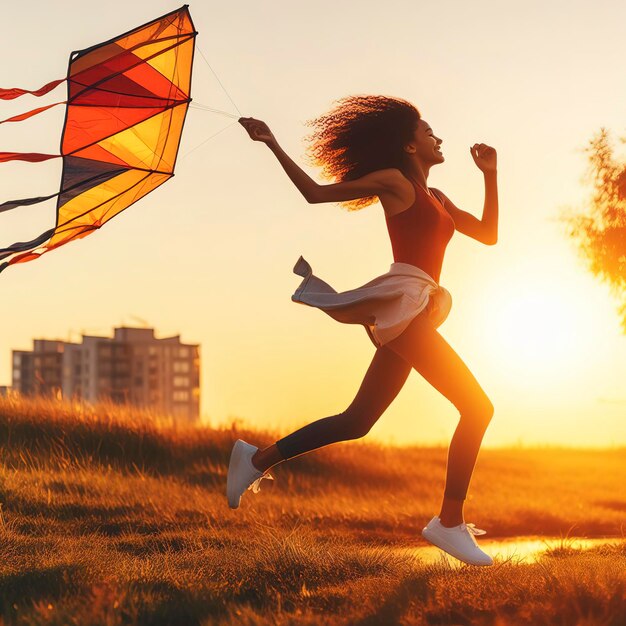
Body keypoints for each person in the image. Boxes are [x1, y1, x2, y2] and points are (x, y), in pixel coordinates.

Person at [228, 96, 498, 566]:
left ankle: (254, 460)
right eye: (428, 131)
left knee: (358, 420)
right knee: (477, 407)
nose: (437, 138)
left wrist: (490, 175)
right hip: (405, 303)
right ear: (409, 145)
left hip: (418, 307)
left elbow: (489, 234)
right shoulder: (395, 182)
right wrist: (272, 143)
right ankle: (448, 523)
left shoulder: (437, 197)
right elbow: (314, 192)